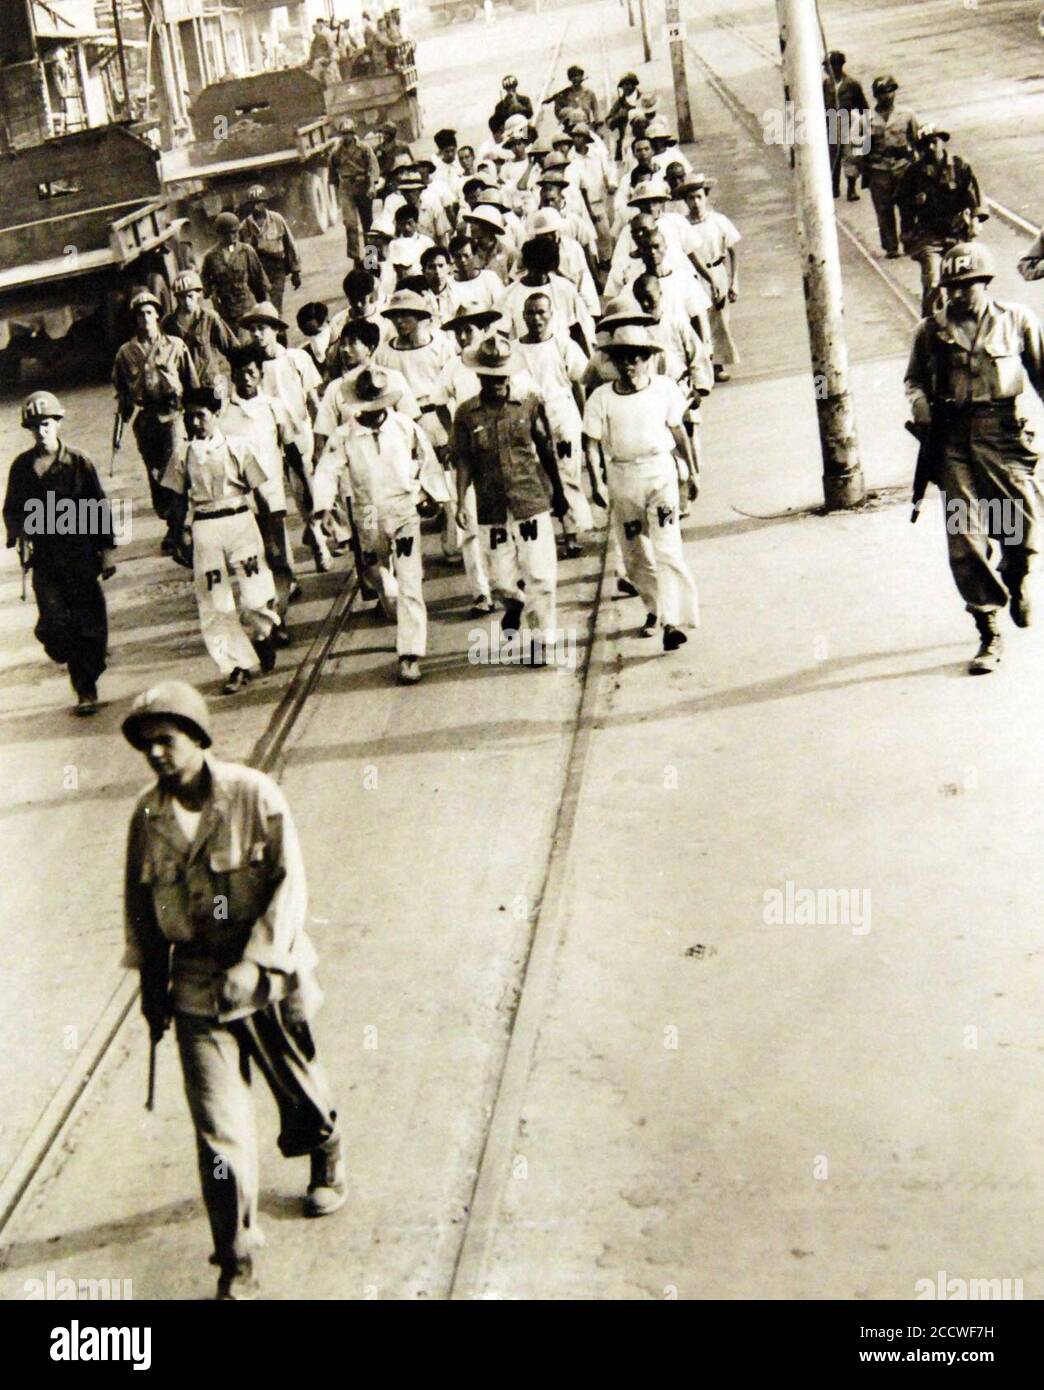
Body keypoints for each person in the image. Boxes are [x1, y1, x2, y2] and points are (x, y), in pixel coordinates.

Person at [122, 680, 344, 1301]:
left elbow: (289, 885)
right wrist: (151, 985)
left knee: (299, 1094)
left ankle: (326, 1149)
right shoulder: (147, 815)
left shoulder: (254, 794)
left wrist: (258, 961)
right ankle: (235, 1259)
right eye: (147, 748)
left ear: (197, 738)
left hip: (268, 978)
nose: (157, 756)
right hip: (197, 988)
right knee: (220, 1133)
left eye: (166, 742)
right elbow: (140, 907)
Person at [904, 242, 1044, 675]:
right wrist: (920, 403)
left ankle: (1015, 571)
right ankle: (988, 629)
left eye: (968, 285)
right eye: (953, 286)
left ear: (985, 282)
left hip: (1003, 435)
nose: (960, 294)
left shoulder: (1015, 319)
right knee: (964, 537)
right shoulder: (931, 330)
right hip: (953, 441)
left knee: (1017, 525)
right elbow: (912, 380)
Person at [315, 369, 449, 684]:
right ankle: (391, 602)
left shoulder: (404, 427)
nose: (374, 413)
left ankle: (410, 654)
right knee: (377, 575)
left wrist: (435, 495)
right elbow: (326, 471)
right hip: (369, 515)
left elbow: (428, 463)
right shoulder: (344, 436)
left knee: (410, 582)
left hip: (403, 511)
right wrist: (323, 508)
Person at [582, 327, 700, 652]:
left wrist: (692, 473)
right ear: (613, 362)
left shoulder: (664, 390)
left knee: (667, 547)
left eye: (636, 357)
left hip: (659, 475)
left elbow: (679, 432)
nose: (629, 364)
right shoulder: (601, 398)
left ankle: (673, 622)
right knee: (635, 556)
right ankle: (655, 608)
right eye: (622, 358)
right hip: (622, 480)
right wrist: (596, 481)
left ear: (648, 359)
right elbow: (590, 443)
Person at [453, 334, 568, 662]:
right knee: (500, 581)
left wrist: (559, 492)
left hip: (530, 500)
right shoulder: (466, 414)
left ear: (510, 374)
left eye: (501, 377)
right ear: (479, 376)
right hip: (491, 507)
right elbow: (462, 459)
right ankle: (515, 603)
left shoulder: (529, 404)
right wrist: (461, 501)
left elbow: (545, 448)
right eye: (489, 377)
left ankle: (539, 643)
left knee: (541, 576)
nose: (495, 384)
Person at [162, 386, 282, 694]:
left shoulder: (238, 446)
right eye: (188, 418)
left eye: (200, 416)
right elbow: (176, 498)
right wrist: (178, 534)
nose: (194, 424)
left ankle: (262, 634)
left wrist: (271, 539)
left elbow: (260, 494)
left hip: (240, 520)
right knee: (214, 601)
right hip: (205, 527)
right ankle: (235, 665)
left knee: (255, 594)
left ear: (216, 415)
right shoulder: (182, 453)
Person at [3, 392, 116, 716]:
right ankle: (68, 652)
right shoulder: (23, 467)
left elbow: (99, 508)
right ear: (30, 429)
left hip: (80, 554)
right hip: (46, 559)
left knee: (89, 623)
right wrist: (19, 534)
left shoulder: (79, 462)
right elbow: (12, 509)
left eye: (47, 423)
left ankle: (86, 689)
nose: (42, 431)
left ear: (58, 423)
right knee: (53, 625)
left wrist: (106, 552)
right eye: (36, 426)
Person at [112, 288, 199, 553]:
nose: (145, 318)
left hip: (174, 415)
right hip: (147, 419)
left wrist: (197, 415)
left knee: (177, 470)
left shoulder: (175, 346)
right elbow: (122, 395)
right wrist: (121, 424)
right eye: (140, 314)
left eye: (150, 312)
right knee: (157, 475)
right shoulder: (126, 354)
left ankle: (180, 527)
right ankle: (171, 520)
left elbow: (191, 384)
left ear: (158, 316)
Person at [221, 345, 298, 637]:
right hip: (241, 504)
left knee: (279, 561)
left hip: (273, 499)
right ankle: (265, 623)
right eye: (239, 373)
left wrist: (309, 490)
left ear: (260, 374)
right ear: (232, 375)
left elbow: (290, 450)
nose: (246, 378)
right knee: (253, 566)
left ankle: (279, 620)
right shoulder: (224, 413)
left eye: (251, 372)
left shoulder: (274, 407)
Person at [516, 291, 592, 557]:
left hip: (562, 414)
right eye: (531, 313)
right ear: (523, 316)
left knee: (567, 472)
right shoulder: (516, 349)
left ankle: (570, 532)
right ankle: (546, 536)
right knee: (539, 476)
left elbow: (580, 382)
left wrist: (583, 422)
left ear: (551, 315)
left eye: (541, 312)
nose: (536, 318)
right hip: (530, 416)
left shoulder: (563, 344)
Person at [898, 125, 981, 314]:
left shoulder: (960, 166)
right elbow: (903, 204)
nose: (931, 148)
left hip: (957, 233)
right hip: (929, 236)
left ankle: (967, 322)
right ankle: (930, 325)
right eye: (926, 144)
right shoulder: (914, 172)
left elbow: (974, 196)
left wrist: (975, 220)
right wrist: (907, 231)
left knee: (967, 281)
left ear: (943, 142)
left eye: (934, 142)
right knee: (933, 280)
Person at [677, 175, 741, 380]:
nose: (695, 202)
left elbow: (732, 251)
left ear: (705, 197)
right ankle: (703, 366)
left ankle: (718, 365)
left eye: (698, 197)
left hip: (717, 271)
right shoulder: (683, 226)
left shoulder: (718, 221)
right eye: (690, 199)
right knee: (699, 320)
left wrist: (734, 281)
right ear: (685, 202)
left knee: (719, 319)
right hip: (693, 277)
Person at [860, 76, 918, 259]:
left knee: (908, 207)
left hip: (903, 167)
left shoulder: (907, 115)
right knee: (883, 210)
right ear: (876, 95)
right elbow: (860, 150)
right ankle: (891, 246)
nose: (887, 96)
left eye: (890, 91)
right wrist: (866, 172)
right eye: (882, 93)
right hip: (879, 171)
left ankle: (908, 241)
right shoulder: (866, 120)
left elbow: (916, 140)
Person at [162, 269, 239, 394]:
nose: (187, 301)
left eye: (190, 296)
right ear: (176, 298)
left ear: (199, 294)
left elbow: (232, 348)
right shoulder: (169, 323)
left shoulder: (210, 318)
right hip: (184, 387)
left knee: (219, 412)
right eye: (182, 297)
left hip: (210, 384)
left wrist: (237, 379)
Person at [200, 213, 270, 334]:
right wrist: (211, 294)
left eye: (235, 232)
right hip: (226, 313)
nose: (233, 236)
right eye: (228, 233)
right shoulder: (211, 257)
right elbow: (205, 283)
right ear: (220, 234)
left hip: (247, 309)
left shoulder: (246, 251)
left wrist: (264, 307)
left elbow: (259, 280)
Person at [239, 186, 302, 312]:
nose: (257, 206)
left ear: (266, 203)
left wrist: (296, 271)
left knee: (275, 302)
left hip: (276, 267)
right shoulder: (244, 227)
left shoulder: (276, 219)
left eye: (260, 202)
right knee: (262, 304)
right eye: (253, 203)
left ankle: (279, 331)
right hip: (256, 269)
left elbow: (289, 244)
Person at [822, 50, 869, 202]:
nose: (826, 69)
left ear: (838, 66)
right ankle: (834, 187)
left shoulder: (852, 85)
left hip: (848, 124)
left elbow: (863, 107)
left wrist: (865, 128)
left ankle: (851, 189)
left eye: (828, 66)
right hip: (831, 125)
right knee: (833, 158)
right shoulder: (825, 85)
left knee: (851, 158)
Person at [331, 117, 380, 260]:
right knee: (350, 224)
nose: (347, 136)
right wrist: (337, 192)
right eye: (344, 133)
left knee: (368, 224)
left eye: (349, 133)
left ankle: (371, 258)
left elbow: (373, 167)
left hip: (363, 185)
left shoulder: (364, 148)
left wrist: (372, 186)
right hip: (346, 188)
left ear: (354, 133)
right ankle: (356, 258)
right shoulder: (336, 152)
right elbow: (333, 172)